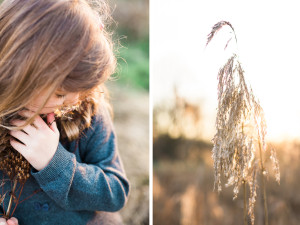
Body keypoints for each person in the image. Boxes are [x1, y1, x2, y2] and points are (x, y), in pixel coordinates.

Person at [0, 0, 130, 224]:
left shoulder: (89, 108)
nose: (72, 103)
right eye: (60, 94)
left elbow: (116, 192)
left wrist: (54, 164)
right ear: (19, 76)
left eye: (81, 91)